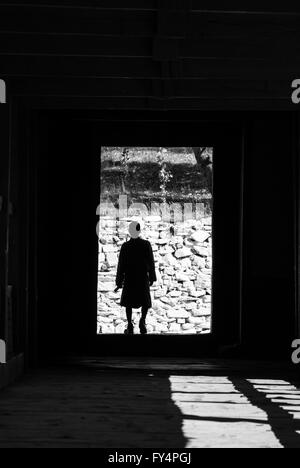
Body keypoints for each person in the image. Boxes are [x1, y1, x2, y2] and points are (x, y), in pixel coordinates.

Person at [115, 221, 157, 334]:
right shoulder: (146, 244)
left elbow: (121, 265)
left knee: (128, 302)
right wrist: (152, 277)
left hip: (130, 277)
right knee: (145, 301)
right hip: (142, 277)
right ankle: (142, 321)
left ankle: (129, 324)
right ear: (139, 231)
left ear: (130, 231)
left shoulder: (125, 246)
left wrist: (119, 280)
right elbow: (151, 262)